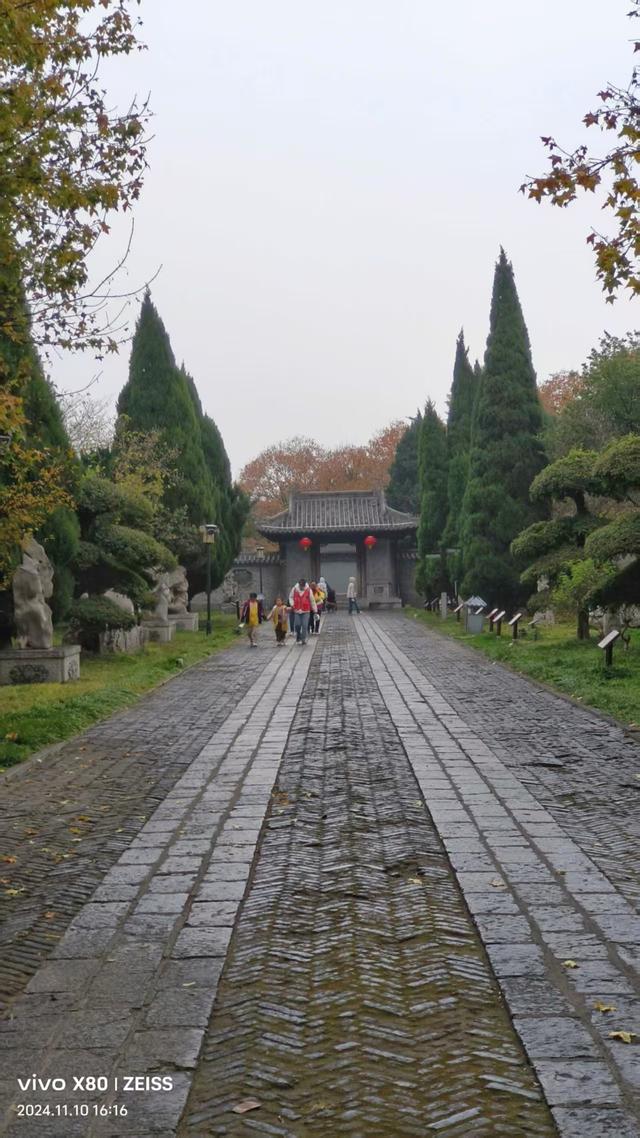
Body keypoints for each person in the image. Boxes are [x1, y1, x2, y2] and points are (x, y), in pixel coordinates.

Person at [291, 578, 317, 644]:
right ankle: (298, 636)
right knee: (297, 625)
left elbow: (312, 600)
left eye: (303, 586)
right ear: (299, 584)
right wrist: (292, 604)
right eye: (300, 586)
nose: (301, 587)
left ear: (305, 585)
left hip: (306, 611)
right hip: (297, 610)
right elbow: (290, 597)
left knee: (305, 625)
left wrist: (315, 610)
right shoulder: (294, 589)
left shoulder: (308, 590)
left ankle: (303, 639)